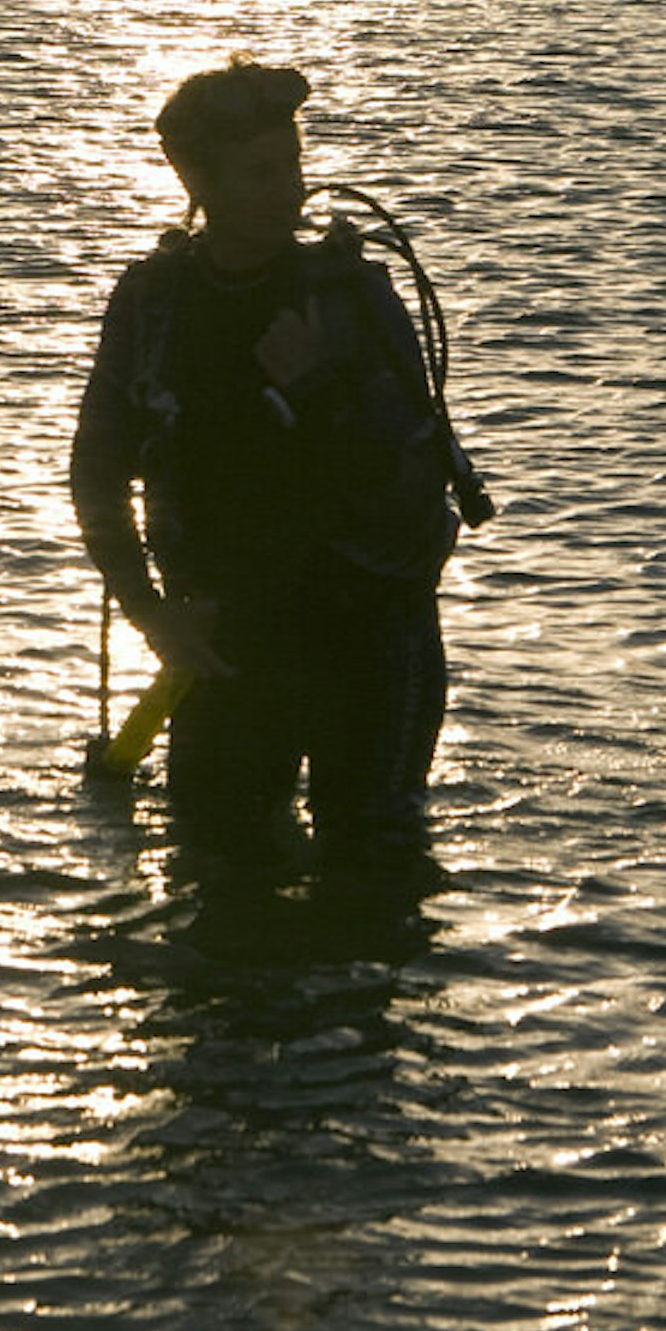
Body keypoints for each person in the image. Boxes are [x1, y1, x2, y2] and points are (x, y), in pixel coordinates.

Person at [70, 62, 471, 870]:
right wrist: (154, 614)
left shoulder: (352, 296)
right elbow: (96, 474)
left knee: (373, 873)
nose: (288, 190)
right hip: (221, 637)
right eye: (260, 173)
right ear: (201, 184)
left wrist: (319, 390)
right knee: (215, 871)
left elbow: (417, 483)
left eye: (292, 164)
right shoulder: (154, 303)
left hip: (367, 632)